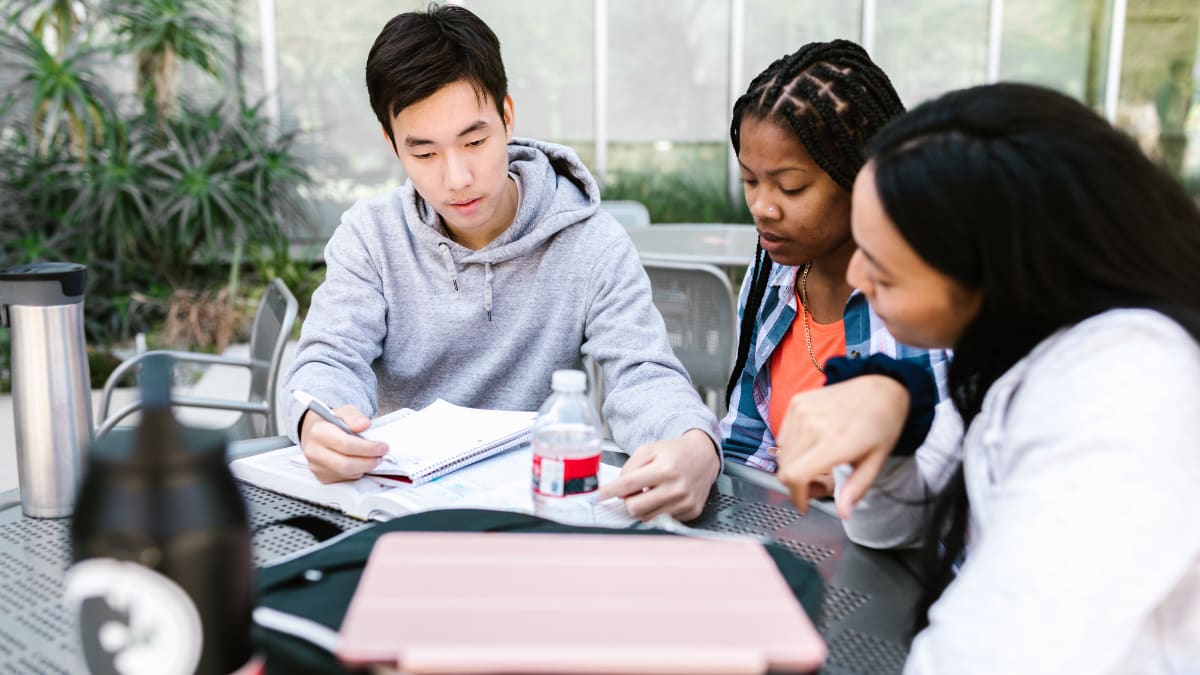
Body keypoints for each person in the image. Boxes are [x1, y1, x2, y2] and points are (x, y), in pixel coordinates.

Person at [776, 82, 1200, 672]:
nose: (858, 278)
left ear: (1000, 274)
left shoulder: (1125, 390)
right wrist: (893, 412)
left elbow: (1003, 653)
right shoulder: (1015, 350)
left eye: (885, 269)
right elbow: (888, 527)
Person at [282, 4, 721, 521]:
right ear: (392, 143)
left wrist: (695, 445)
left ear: (507, 116)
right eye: (424, 154)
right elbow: (328, 361)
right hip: (401, 510)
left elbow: (644, 374)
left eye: (475, 141)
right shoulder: (370, 236)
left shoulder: (590, 242)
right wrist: (319, 421)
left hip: (534, 509)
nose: (458, 177)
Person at [720, 40, 951, 482]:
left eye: (790, 188)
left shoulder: (926, 298)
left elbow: (948, 469)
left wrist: (847, 476)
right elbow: (745, 446)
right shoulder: (771, 276)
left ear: (862, 176)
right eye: (750, 180)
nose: (762, 207)